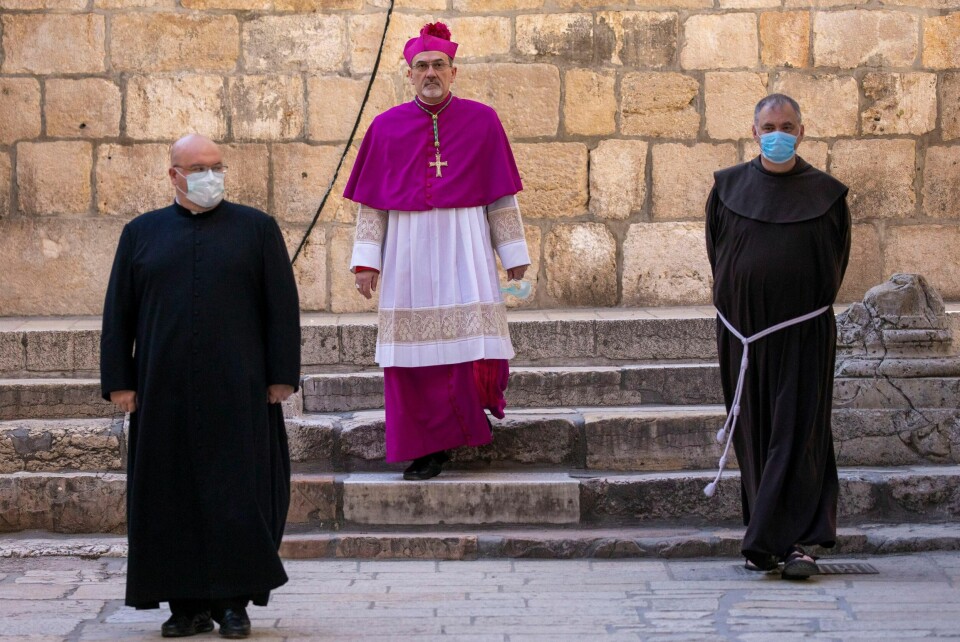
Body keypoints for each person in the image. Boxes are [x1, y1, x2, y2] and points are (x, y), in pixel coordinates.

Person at [100, 134, 301, 638]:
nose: (209, 175)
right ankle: (185, 606)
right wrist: (119, 382)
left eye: (216, 166)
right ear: (173, 175)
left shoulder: (257, 229)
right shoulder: (140, 234)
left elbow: (281, 307)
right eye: (197, 167)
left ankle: (234, 603)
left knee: (240, 494)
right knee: (168, 497)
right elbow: (117, 313)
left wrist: (281, 375)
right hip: (161, 390)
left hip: (240, 389)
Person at [343, 22, 531, 480]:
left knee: (465, 349)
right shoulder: (385, 128)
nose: (431, 73)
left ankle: (463, 423)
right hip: (407, 253)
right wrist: (367, 261)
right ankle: (426, 446)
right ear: (409, 74)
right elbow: (373, 204)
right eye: (422, 66)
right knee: (412, 355)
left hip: (465, 247)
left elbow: (500, 197)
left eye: (439, 65)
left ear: (453, 71)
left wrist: (513, 254)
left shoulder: (483, 120)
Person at [704, 94, 851, 580]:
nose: (779, 133)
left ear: (802, 132)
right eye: (770, 125)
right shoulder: (727, 189)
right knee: (756, 435)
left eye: (787, 125)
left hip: (803, 335)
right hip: (742, 337)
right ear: (754, 133)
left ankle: (802, 544)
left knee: (798, 435)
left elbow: (835, 263)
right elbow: (718, 253)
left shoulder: (827, 194)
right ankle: (767, 542)